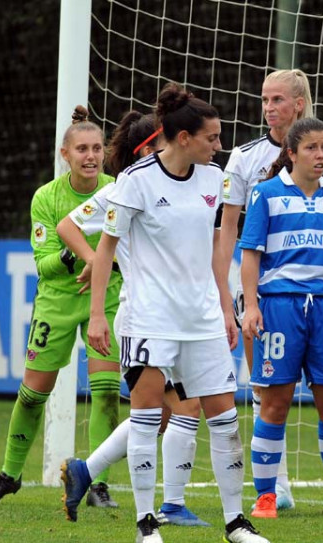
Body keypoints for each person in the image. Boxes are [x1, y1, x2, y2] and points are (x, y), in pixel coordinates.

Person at [87, 83, 268, 543]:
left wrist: (226, 307)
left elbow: (215, 248)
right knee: (148, 416)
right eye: (212, 137)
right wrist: (98, 315)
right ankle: (146, 525)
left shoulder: (216, 179)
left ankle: (235, 523)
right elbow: (106, 250)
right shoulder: (136, 180)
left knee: (225, 419)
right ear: (183, 137)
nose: (219, 145)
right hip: (151, 320)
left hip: (203, 320)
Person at [57, 110, 209, 526]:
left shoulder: (186, 185)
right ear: (150, 147)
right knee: (184, 406)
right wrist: (93, 259)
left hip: (178, 316)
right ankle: (171, 506)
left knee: (167, 412)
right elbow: (67, 225)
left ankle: (86, 471)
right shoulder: (128, 188)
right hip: (143, 317)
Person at [217, 69, 323, 513]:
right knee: (270, 395)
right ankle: (270, 490)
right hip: (271, 299)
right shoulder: (249, 166)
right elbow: (233, 234)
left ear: (299, 104)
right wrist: (236, 297)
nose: (268, 107)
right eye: (264, 99)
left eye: (277, 99)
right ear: (293, 153)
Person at [0, 107, 122, 510]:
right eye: (82, 150)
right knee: (33, 395)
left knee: (107, 393)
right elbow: (44, 262)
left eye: (96, 148)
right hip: (55, 302)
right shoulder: (46, 198)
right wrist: (87, 259)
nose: (90, 156)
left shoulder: (117, 190)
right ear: (65, 154)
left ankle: (98, 484)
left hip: (105, 298)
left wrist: (99, 264)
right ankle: (9, 474)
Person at [239, 117, 323, 520]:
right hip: (280, 307)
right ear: (291, 153)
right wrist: (253, 306)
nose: (321, 155)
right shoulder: (265, 194)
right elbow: (250, 254)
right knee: (275, 403)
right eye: (312, 147)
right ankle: (266, 496)